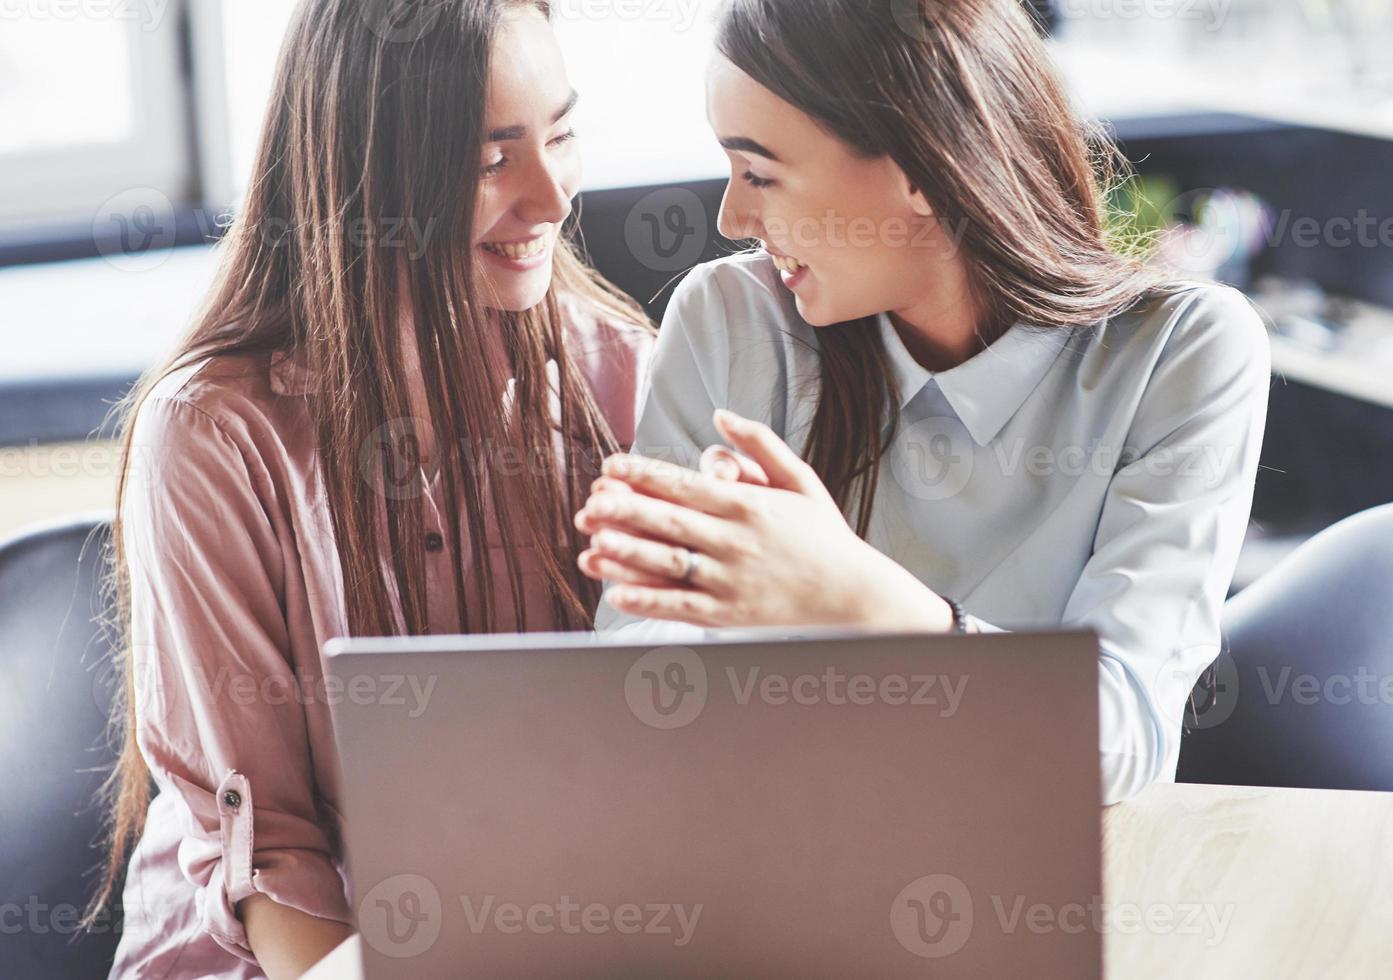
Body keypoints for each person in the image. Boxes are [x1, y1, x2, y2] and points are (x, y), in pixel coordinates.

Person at [578, 0, 1271, 806]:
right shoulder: (731, 321)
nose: (734, 218)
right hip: (779, 841)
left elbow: (1122, 740)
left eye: (761, 173)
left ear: (920, 166)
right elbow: (638, 667)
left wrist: (862, 599)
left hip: (1043, 875)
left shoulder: (1181, 351)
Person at [91, 2, 652, 976]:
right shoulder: (215, 436)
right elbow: (271, 855)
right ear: (368, 183)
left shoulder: (620, 378)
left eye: (561, 135)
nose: (552, 196)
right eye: (490, 161)